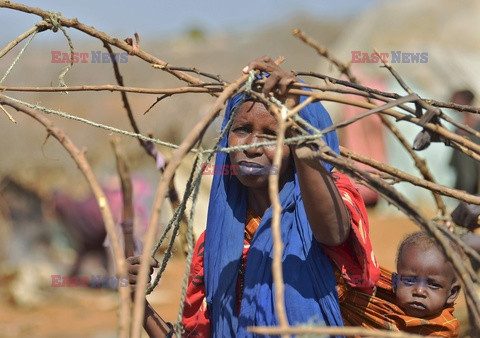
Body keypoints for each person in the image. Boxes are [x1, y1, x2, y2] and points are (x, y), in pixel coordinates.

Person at [127, 56, 379, 337]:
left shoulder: (332, 199)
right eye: (243, 130)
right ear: (226, 138)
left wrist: (302, 133)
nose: (252, 146)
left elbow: (333, 232)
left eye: (273, 135)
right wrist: (139, 303)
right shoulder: (214, 245)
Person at [338, 231, 461, 337]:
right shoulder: (376, 304)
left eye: (433, 284)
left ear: (452, 293)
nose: (419, 291)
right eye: (409, 281)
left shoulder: (442, 329)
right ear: (395, 283)